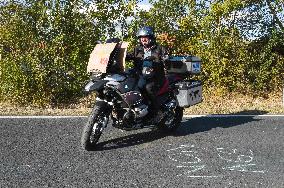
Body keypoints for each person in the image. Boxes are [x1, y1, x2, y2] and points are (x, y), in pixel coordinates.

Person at [128, 26, 168, 121]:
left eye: (146, 37)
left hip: (155, 77)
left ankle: (156, 111)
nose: (143, 39)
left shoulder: (160, 49)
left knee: (148, 88)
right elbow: (128, 56)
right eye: (141, 37)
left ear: (151, 37)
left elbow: (167, 59)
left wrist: (165, 59)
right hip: (140, 75)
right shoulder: (137, 49)